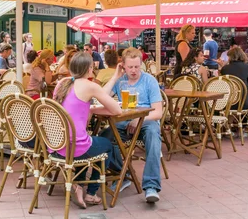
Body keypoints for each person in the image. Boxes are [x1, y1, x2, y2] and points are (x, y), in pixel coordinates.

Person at [53, 52, 124, 208]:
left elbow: (86, 100)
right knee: (106, 145)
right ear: (90, 68)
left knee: (86, 141)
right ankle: (92, 193)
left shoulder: (62, 83)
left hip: (56, 146)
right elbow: (117, 111)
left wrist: (114, 78)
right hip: (75, 148)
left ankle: (78, 185)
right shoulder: (90, 86)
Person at [106, 47, 164, 203]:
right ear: (123, 65)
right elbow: (102, 97)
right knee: (105, 137)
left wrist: (139, 119)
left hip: (147, 120)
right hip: (124, 121)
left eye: (137, 66)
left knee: (153, 136)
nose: (133, 70)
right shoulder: (120, 80)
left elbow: (158, 112)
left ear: (141, 65)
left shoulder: (149, 80)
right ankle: (122, 174)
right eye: (130, 67)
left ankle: (151, 186)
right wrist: (115, 76)